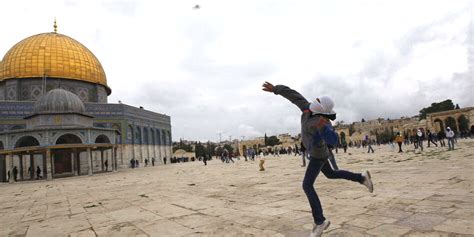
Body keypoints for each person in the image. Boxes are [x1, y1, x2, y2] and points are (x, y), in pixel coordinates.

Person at [262, 82, 373, 237]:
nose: (315, 100)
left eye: (319, 101)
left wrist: (322, 129)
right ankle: (361, 178)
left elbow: (334, 140)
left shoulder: (323, 122)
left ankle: (320, 222)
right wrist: (275, 89)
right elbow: (292, 95)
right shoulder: (307, 107)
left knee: (307, 185)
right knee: (332, 174)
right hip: (317, 153)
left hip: (318, 155)